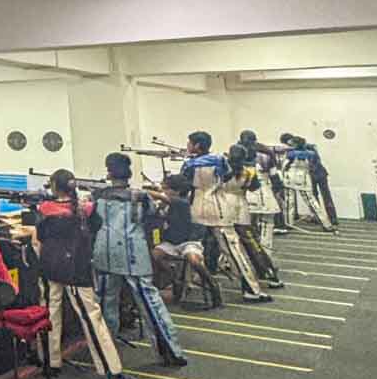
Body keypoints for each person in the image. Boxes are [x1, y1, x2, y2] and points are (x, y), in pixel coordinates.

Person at [34, 169, 136, 379]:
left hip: (50, 265)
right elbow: (96, 227)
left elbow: (40, 238)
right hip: (76, 267)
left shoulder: (44, 209)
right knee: (92, 319)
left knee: (49, 312)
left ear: (54, 187)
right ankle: (112, 372)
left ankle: (49, 363)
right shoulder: (85, 210)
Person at [89, 152, 188, 365]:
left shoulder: (98, 195)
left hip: (105, 251)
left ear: (109, 171)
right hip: (134, 251)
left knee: (106, 303)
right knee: (151, 303)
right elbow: (153, 216)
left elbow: (91, 219)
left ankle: (107, 353)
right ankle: (171, 352)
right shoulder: (141, 196)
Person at [180, 131, 269, 301]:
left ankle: (188, 285)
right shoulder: (220, 159)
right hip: (219, 206)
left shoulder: (189, 164)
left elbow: (184, 185)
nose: (188, 145)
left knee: (191, 246)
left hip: (197, 206)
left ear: (197, 145)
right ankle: (252, 289)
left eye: (190, 143)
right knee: (234, 251)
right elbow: (227, 176)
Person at [154, 174, 221, 308]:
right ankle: (175, 278)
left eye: (166, 188)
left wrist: (143, 192)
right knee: (155, 255)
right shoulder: (169, 204)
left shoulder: (182, 202)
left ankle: (212, 284)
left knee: (193, 259)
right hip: (172, 242)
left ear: (177, 191)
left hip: (190, 241)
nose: (164, 191)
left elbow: (161, 197)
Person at [228, 142, 284, 288]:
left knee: (228, 241)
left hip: (223, 207)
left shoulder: (222, 168)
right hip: (243, 203)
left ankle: (223, 265)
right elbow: (257, 185)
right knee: (252, 240)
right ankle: (268, 273)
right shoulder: (252, 168)